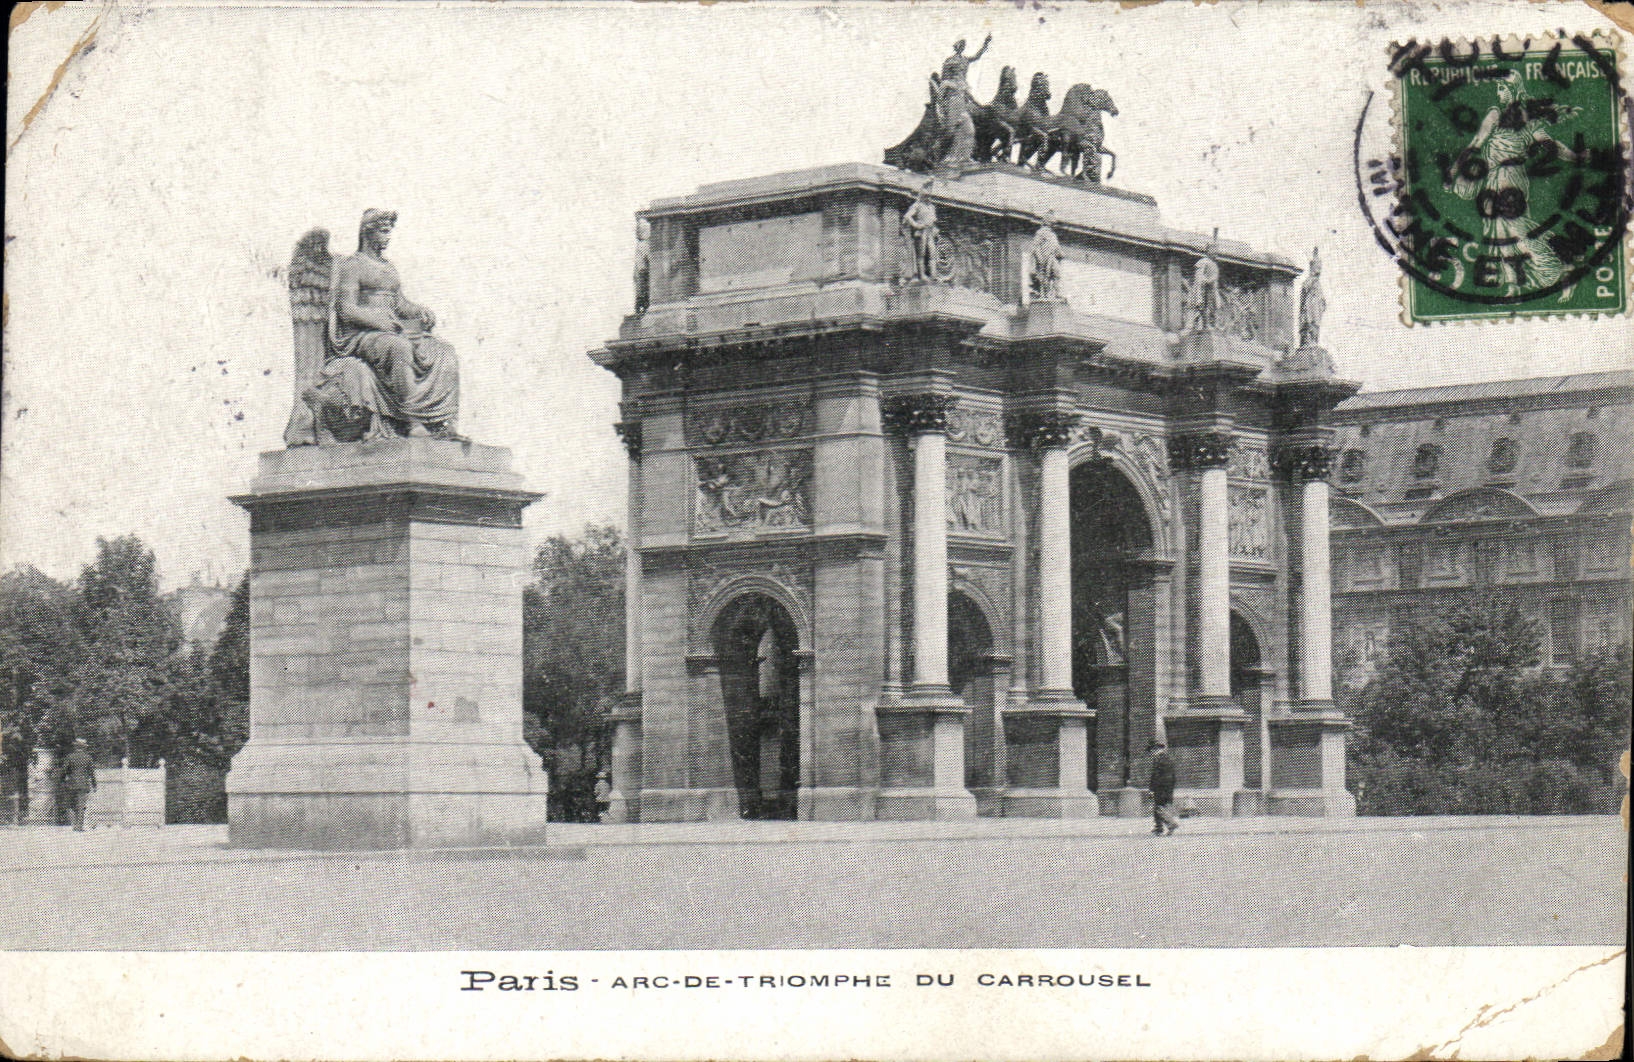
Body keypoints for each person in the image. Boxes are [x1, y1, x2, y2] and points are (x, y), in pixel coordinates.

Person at [325, 209, 463, 439]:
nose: (387, 237)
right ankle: (412, 421)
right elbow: (345, 308)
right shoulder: (353, 265)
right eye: (383, 231)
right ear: (367, 233)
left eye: (389, 232)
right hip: (362, 335)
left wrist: (420, 311)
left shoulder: (389, 268)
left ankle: (442, 422)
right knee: (398, 348)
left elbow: (399, 304)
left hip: (392, 330)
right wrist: (377, 321)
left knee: (444, 351)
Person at [902, 182, 938, 280]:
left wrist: (935, 229)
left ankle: (933, 274)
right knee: (921, 254)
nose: (927, 197)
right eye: (926, 195)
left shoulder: (932, 207)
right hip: (921, 231)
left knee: (932, 253)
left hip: (930, 231)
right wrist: (916, 225)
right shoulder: (917, 205)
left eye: (929, 195)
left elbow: (933, 220)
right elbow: (907, 216)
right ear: (922, 195)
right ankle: (921, 275)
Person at [59, 738, 96, 832]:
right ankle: (79, 826)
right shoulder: (88, 758)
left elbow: (64, 770)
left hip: (71, 784)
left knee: (71, 805)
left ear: (75, 746)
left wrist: (62, 780)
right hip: (83, 785)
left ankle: (74, 824)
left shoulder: (70, 757)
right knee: (81, 806)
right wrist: (94, 785)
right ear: (84, 748)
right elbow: (92, 773)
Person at [1148, 739, 1178, 836]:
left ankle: (1170, 824)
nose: (1151, 753)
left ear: (1155, 749)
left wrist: (1152, 789)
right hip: (1168, 788)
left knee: (1158, 808)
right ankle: (1159, 828)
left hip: (1160, 788)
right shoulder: (1168, 758)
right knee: (1161, 807)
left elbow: (1156, 776)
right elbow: (1173, 776)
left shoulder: (1158, 759)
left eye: (1151, 750)